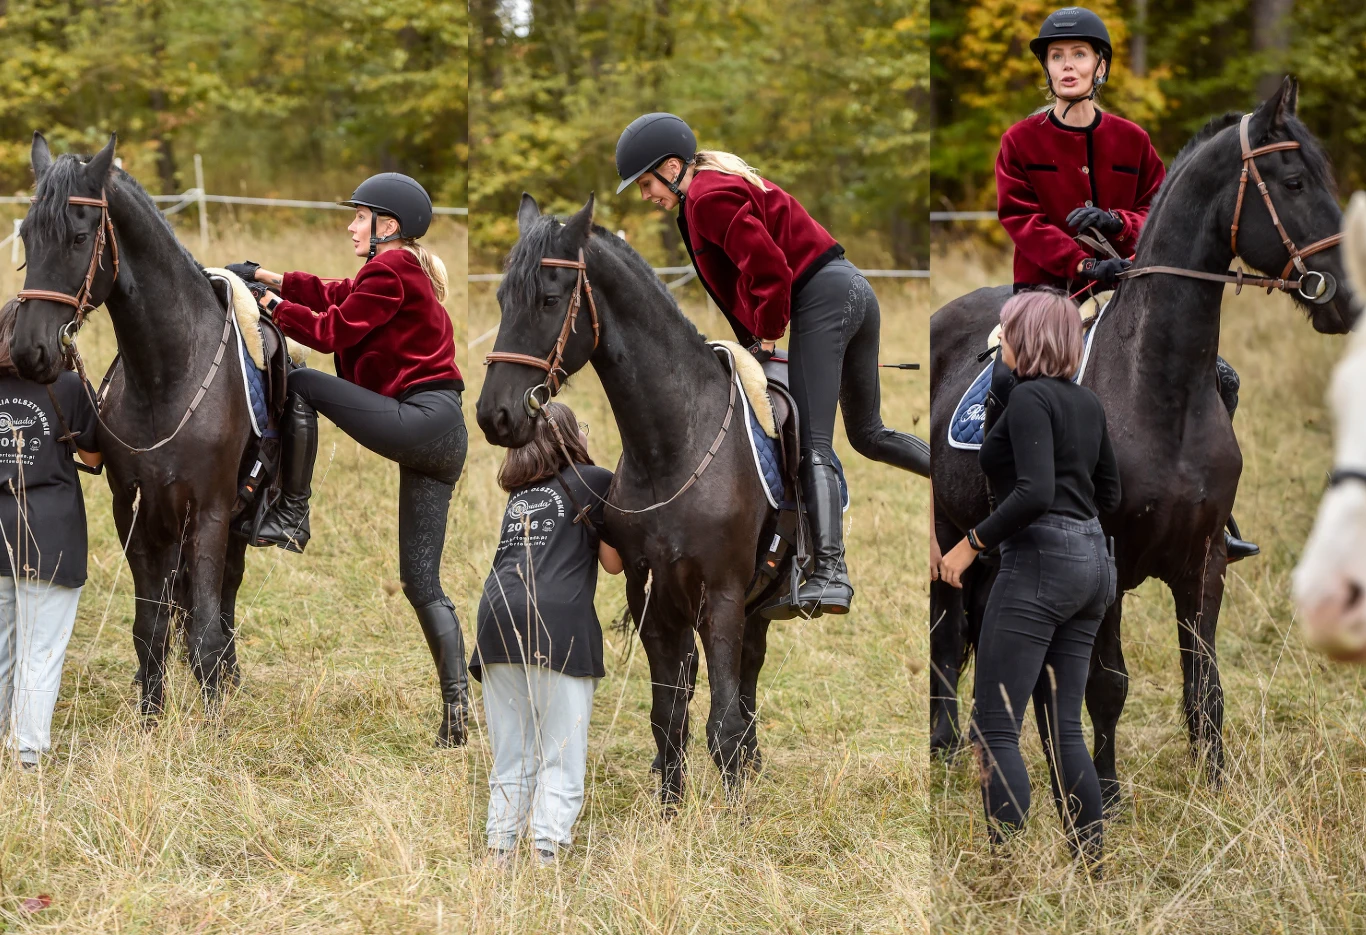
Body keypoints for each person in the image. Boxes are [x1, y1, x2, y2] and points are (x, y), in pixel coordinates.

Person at [613, 112, 931, 621]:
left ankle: (830, 572)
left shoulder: (708, 198)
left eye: (647, 183)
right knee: (869, 434)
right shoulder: (711, 189)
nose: (646, 195)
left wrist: (765, 334)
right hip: (852, 291)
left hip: (822, 300)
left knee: (816, 444)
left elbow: (770, 270)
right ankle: (955, 474)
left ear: (672, 168)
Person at [993, 5, 1256, 561]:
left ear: (1100, 66)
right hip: (1047, 296)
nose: (1067, 66)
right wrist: (1084, 265)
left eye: (1078, 56)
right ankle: (1003, 507)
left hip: (1132, 289)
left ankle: (1216, 515)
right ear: (1048, 69)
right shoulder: (1019, 141)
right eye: (1057, 58)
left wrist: (1120, 224)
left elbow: (1161, 211)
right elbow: (1021, 220)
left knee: (1221, 378)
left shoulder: (1133, 140)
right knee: (1002, 378)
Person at [225, 173, 470, 746]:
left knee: (304, 381)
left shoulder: (391, 268)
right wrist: (266, 274)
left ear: (389, 226)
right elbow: (336, 293)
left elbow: (331, 331)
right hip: (443, 434)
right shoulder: (398, 269)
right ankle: (458, 717)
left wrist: (265, 304)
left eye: (361, 217)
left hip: (421, 419)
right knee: (422, 583)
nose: (351, 225)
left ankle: (290, 510)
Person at [939, 289, 1119, 867]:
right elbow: (1109, 494)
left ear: (1026, 339)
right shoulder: (1086, 404)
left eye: (1007, 332)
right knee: (1066, 727)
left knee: (994, 726)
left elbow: (1034, 492)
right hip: (1093, 565)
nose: (1000, 341)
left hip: (1038, 564)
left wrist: (970, 545)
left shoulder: (1029, 403)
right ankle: (1088, 861)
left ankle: (1006, 869)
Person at [471, 402, 622, 867]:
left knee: (512, 749)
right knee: (561, 747)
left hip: (495, 619)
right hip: (558, 625)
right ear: (573, 435)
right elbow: (614, 564)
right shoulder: (594, 481)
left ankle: (500, 848)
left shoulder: (520, 493)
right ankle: (545, 850)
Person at [0, 298, 102, 769]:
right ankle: (25, 756)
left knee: (3, 646)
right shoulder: (67, 386)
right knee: (41, 650)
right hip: (52, 531)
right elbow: (96, 458)